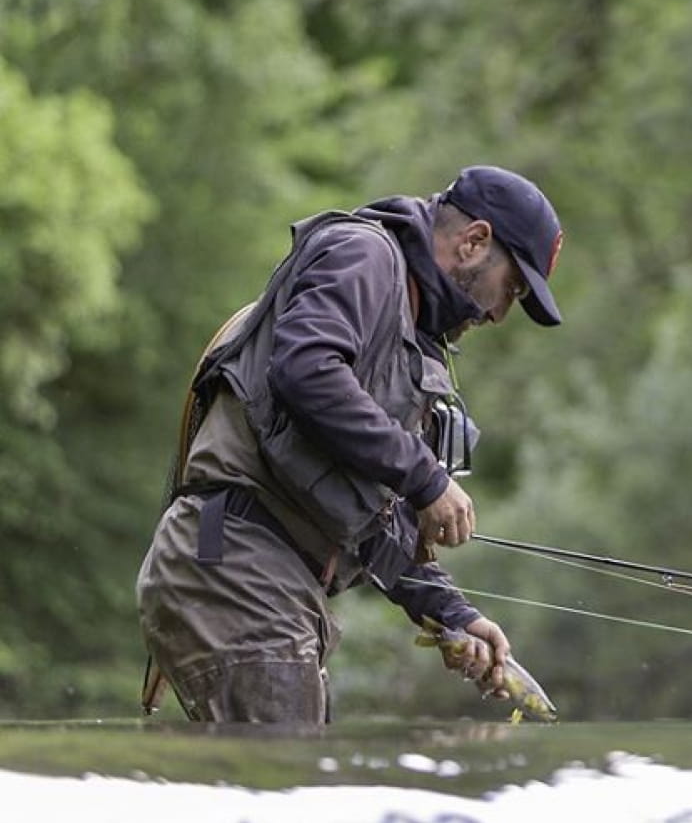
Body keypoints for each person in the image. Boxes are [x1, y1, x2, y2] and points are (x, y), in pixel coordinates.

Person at [136, 165, 565, 723]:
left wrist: (451, 613)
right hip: (239, 567)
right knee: (287, 790)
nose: (500, 313)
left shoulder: (412, 340)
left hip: (270, 585)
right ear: (474, 242)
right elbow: (306, 370)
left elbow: (370, 519)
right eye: (510, 287)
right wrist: (425, 477)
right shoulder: (363, 256)